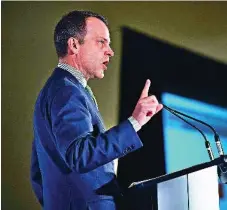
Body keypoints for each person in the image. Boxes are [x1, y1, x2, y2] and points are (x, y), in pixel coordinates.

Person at [30, 10, 163, 210]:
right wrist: (135, 122)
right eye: (101, 42)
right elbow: (80, 155)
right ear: (74, 45)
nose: (110, 51)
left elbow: (38, 173)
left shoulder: (58, 89)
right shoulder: (67, 91)